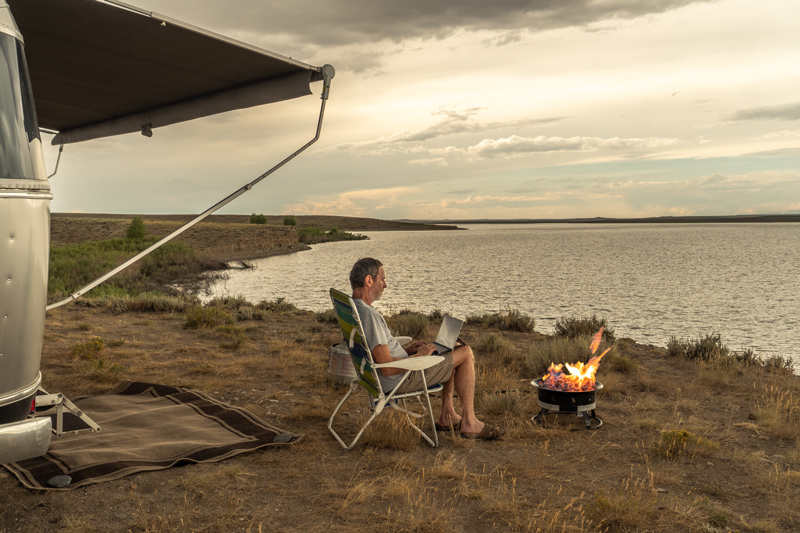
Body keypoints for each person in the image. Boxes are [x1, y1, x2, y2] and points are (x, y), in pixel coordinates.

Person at [349, 257, 505, 440]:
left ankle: (448, 414)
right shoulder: (369, 316)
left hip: (379, 376)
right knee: (465, 352)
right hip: (400, 378)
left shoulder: (355, 309)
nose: (385, 285)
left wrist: (408, 350)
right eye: (382, 279)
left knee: (451, 347)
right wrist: (419, 357)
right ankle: (470, 422)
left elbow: (378, 354)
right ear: (369, 280)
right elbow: (388, 368)